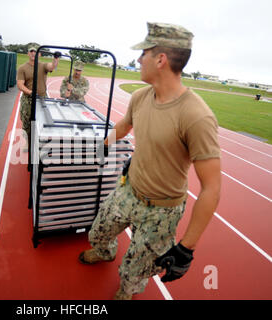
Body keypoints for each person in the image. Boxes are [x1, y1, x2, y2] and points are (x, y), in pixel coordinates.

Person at [78, 22, 222, 300]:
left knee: (135, 273)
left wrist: (186, 248)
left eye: (143, 53)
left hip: (162, 212)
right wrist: (102, 145)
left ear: (160, 59)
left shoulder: (196, 116)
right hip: (128, 191)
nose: (138, 59)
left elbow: (212, 188)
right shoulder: (141, 96)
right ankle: (105, 252)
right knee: (97, 232)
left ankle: (125, 293)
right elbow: (125, 124)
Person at [17, 46, 60, 151]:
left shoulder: (42, 66)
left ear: (39, 54)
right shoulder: (22, 68)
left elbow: (51, 67)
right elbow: (20, 84)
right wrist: (30, 92)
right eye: (31, 51)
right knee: (26, 122)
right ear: (28, 54)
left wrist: (56, 58)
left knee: (42, 121)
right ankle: (28, 143)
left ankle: (39, 142)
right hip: (28, 99)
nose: (33, 53)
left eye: (35, 52)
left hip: (41, 99)